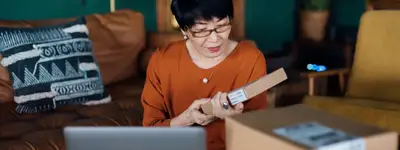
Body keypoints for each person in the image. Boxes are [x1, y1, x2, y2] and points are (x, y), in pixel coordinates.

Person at [141, 0, 267, 149]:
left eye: (221, 26)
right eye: (201, 31)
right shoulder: (162, 61)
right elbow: (151, 131)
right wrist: (186, 118)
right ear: (184, 30)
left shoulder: (252, 58)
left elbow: (259, 131)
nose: (214, 39)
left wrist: (235, 118)